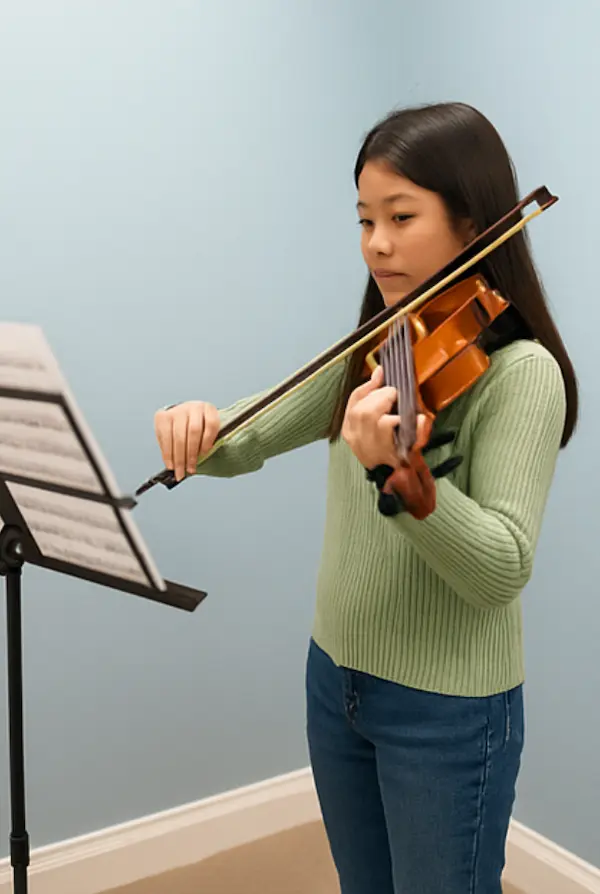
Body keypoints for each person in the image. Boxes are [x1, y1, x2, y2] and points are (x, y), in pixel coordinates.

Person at [153, 102, 578, 894]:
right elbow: (246, 435)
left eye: (401, 216)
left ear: (474, 224)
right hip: (335, 680)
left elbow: (502, 569)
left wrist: (406, 485)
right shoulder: (378, 345)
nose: (375, 243)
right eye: (364, 219)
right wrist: (198, 428)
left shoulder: (523, 374)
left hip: (447, 713)